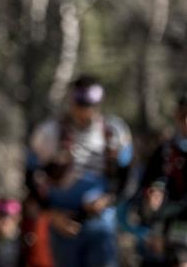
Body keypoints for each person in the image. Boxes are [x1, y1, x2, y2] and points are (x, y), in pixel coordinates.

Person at [25, 75, 133, 267]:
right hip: (63, 224)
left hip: (100, 223)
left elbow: (127, 177)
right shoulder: (48, 132)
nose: (85, 110)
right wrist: (52, 214)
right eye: (80, 104)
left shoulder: (115, 132)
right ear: (71, 101)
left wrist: (109, 199)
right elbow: (30, 177)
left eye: (90, 105)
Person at [131, 93, 187, 267]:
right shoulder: (165, 151)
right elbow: (149, 183)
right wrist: (154, 192)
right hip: (166, 228)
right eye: (183, 116)